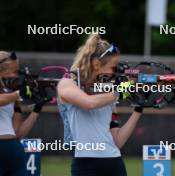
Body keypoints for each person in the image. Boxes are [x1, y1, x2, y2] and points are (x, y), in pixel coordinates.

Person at [57, 34, 143, 176]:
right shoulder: (66, 84)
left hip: (114, 162)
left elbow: (118, 141)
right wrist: (120, 91)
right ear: (97, 65)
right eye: (112, 68)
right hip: (85, 165)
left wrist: (139, 108)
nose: (114, 73)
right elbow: (89, 103)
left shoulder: (107, 91)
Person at [0, 51, 46, 176]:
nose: (17, 75)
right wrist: (18, 94)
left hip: (13, 148)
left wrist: (36, 110)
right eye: (14, 71)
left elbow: (18, 133)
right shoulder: (12, 95)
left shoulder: (11, 94)